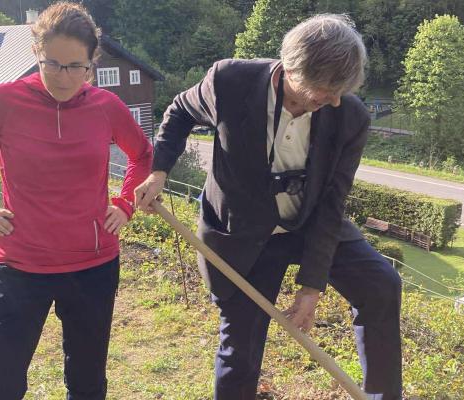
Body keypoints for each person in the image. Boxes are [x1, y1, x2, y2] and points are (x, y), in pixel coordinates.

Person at [135, 14, 402, 400]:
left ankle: (382, 396)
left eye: (341, 91)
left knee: (381, 285)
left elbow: (332, 201)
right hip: (243, 230)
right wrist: (159, 171)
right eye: (326, 90)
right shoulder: (229, 81)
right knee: (240, 348)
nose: (334, 99)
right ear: (293, 70)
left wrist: (312, 285)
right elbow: (179, 112)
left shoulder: (350, 115)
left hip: (309, 221)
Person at [0, 3, 153, 399]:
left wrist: (125, 204)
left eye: (76, 66)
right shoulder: (5, 99)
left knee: (87, 383)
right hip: (21, 263)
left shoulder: (106, 106)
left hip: (93, 264)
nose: (63, 77)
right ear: (36, 53)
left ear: (92, 62)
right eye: (52, 63)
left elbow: (142, 154)